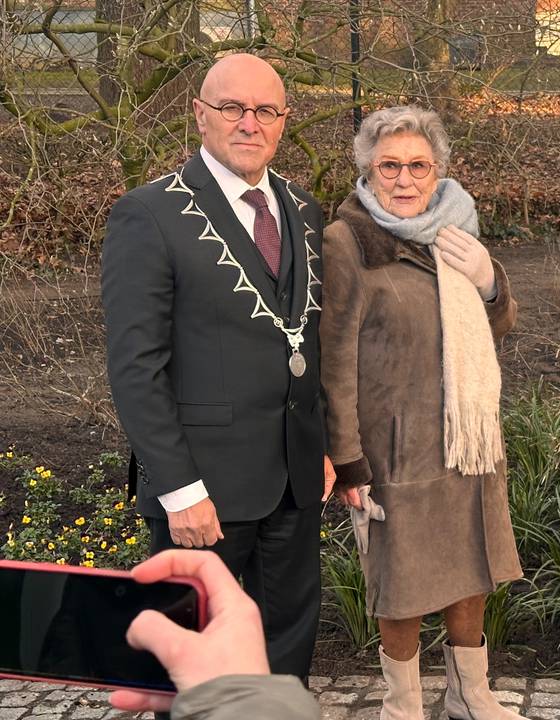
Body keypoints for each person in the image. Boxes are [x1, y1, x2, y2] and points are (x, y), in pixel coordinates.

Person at [102, 53, 332, 683]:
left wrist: (324, 446)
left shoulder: (304, 211)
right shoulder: (148, 214)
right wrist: (180, 489)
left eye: (265, 110)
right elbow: (135, 368)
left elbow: (311, 340)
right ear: (201, 116)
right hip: (202, 494)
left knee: (286, 649)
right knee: (191, 664)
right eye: (232, 107)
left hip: (293, 478)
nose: (249, 123)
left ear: (284, 122)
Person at [321, 105, 524, 720]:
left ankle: (470, 695)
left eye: (418, 166)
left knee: (471, 571)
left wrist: (490, 283)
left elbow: (497, 327)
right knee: (402, 583)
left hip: (468, 441)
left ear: (438, 171)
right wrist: (348, 459)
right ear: (367, 170)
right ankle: (402, 705)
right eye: (390, 167)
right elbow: (335, 360)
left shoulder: (455, 229)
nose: (405, 180)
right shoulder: (349, 241)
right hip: (396, 447)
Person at [109, 550, 320, 720]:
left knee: (290, 631)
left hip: (295, 503)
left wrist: (259, 700)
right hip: (205, 509)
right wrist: (179, 497)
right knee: (173, 674)